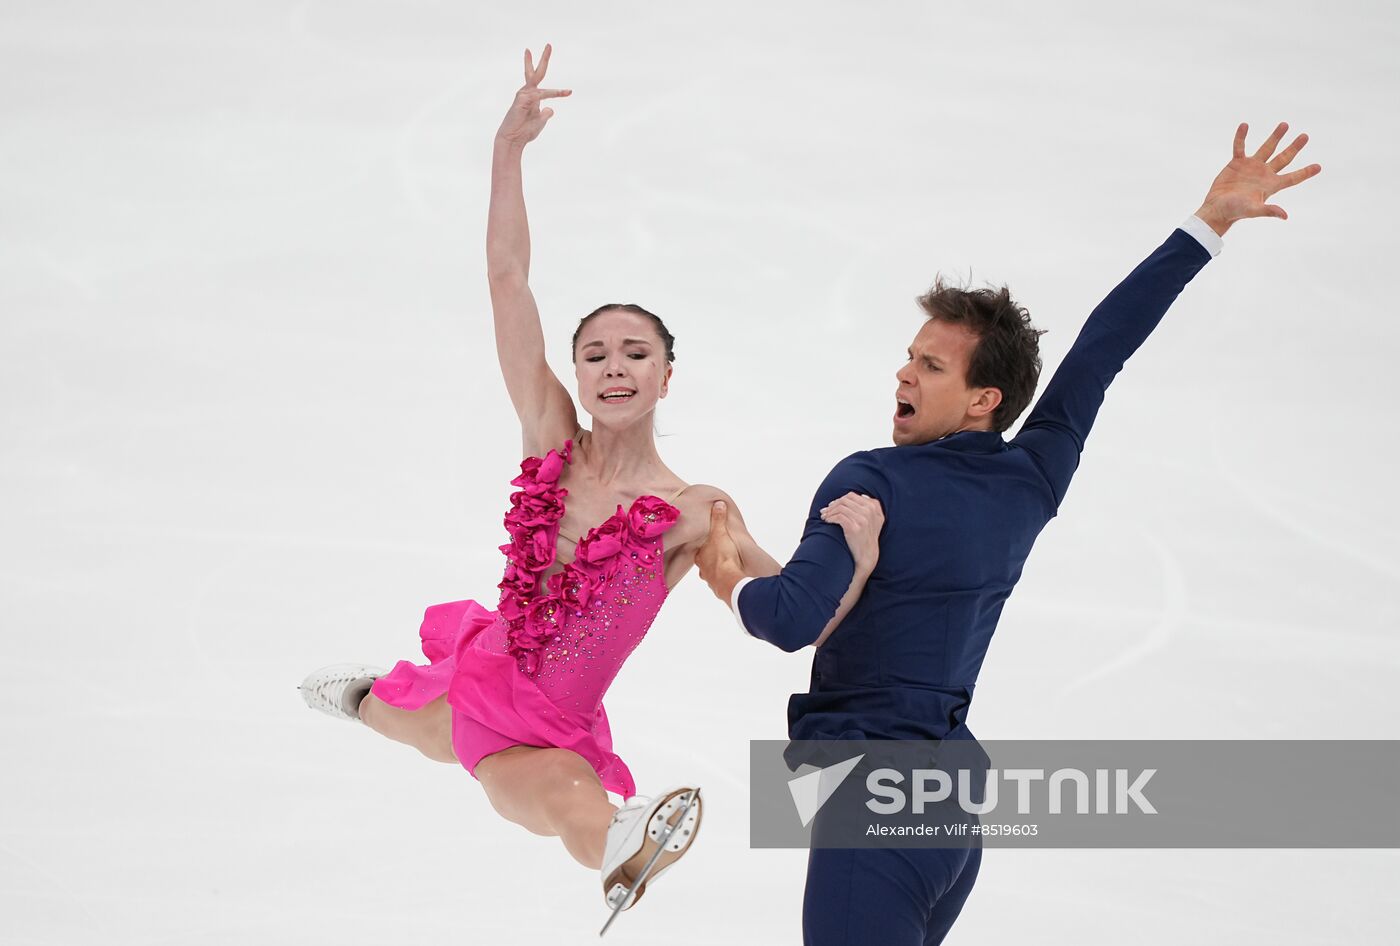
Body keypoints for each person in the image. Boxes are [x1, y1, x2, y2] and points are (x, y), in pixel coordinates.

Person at [696, 121, 1321, 945]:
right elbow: (1100, 352)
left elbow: (787, 619)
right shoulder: (1031, 479)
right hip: (951, 811)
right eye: (909, 356)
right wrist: (1205, 223)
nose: (904, 373)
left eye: (931, 366)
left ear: (985, 397)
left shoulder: (870, 482)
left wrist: (723, 573)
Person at [296, 46, 879, 920]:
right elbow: (506, 281)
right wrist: (508, 153)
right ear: (574, 370)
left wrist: (858, 560)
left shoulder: (694, 511)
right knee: (394, 713)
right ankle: (356, 695)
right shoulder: (548, 439)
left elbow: (795, 612)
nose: (613, 369)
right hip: (475, 682)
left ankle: (622, 843)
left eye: (634, 354)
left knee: (576, 804)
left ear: (665, 376)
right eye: (595, 354)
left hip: (540, 733)